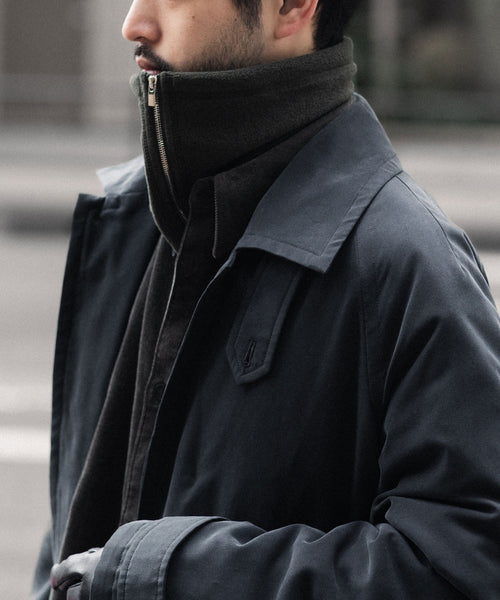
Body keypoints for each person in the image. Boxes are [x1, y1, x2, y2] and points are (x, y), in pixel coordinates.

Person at [31, 0, 500, 598]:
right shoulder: (126, 222)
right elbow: (75, 533)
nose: (134, 23)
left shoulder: (409, 263)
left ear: (292, 6)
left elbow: (462, 569)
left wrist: (167, 576)